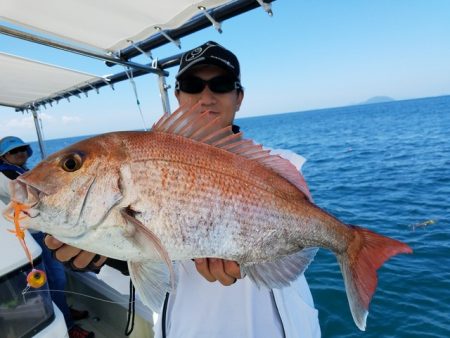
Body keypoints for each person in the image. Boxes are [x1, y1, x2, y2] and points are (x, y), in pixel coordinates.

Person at [45, 41, 321, 337]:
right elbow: (147, 244)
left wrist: (256, 255)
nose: (206, 97)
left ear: (238, 96)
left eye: (221, 84)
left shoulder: (279, 165)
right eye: (192, 85)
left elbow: (302, 235)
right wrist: (104, 250)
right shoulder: (147, 157)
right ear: (177, 95)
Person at [0, 136, 95, 338]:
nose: (21, 153)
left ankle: (66, 310)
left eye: (23, 149)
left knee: (59, 277)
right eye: (14, 151)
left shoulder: (27, 172)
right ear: (4, 156)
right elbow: (22, 198)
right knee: (52, 279)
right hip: (32, 237)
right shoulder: (7, 174)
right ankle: (68, 325)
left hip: (44, 230)